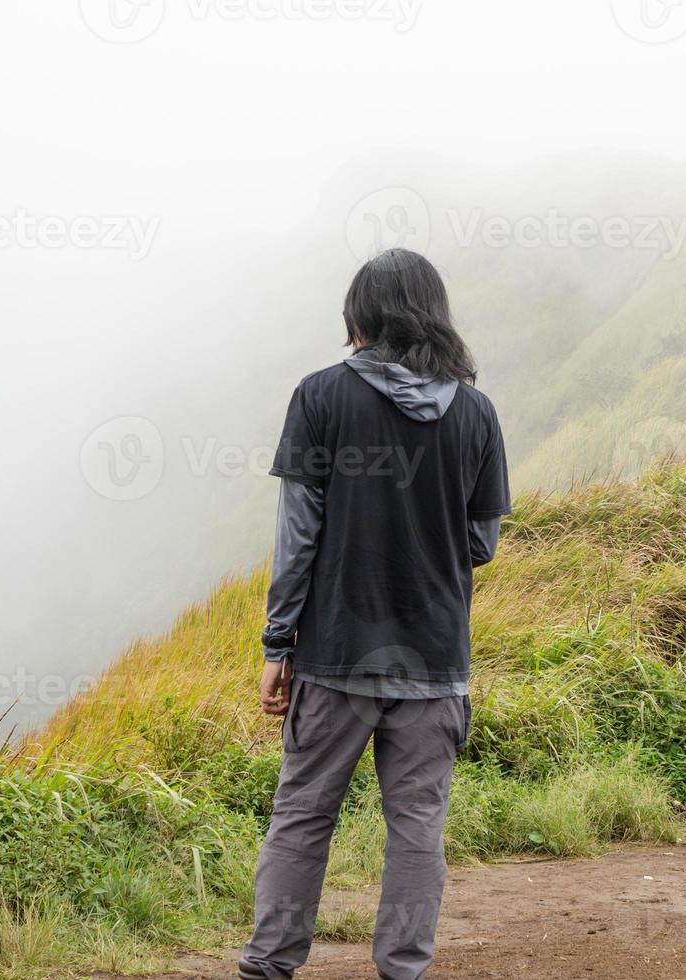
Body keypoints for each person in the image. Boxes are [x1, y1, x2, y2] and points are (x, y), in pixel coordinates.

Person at [239, 248, 510, 980]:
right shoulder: (477, 413)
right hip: (435, 658)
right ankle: (403, 970)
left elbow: (298, 536)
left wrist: (277, 642)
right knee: (417, 832)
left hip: (334, 656)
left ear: (360, 317)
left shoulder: (321, 397)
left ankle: (269, 966)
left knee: (302, 821)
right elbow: (482, 539)